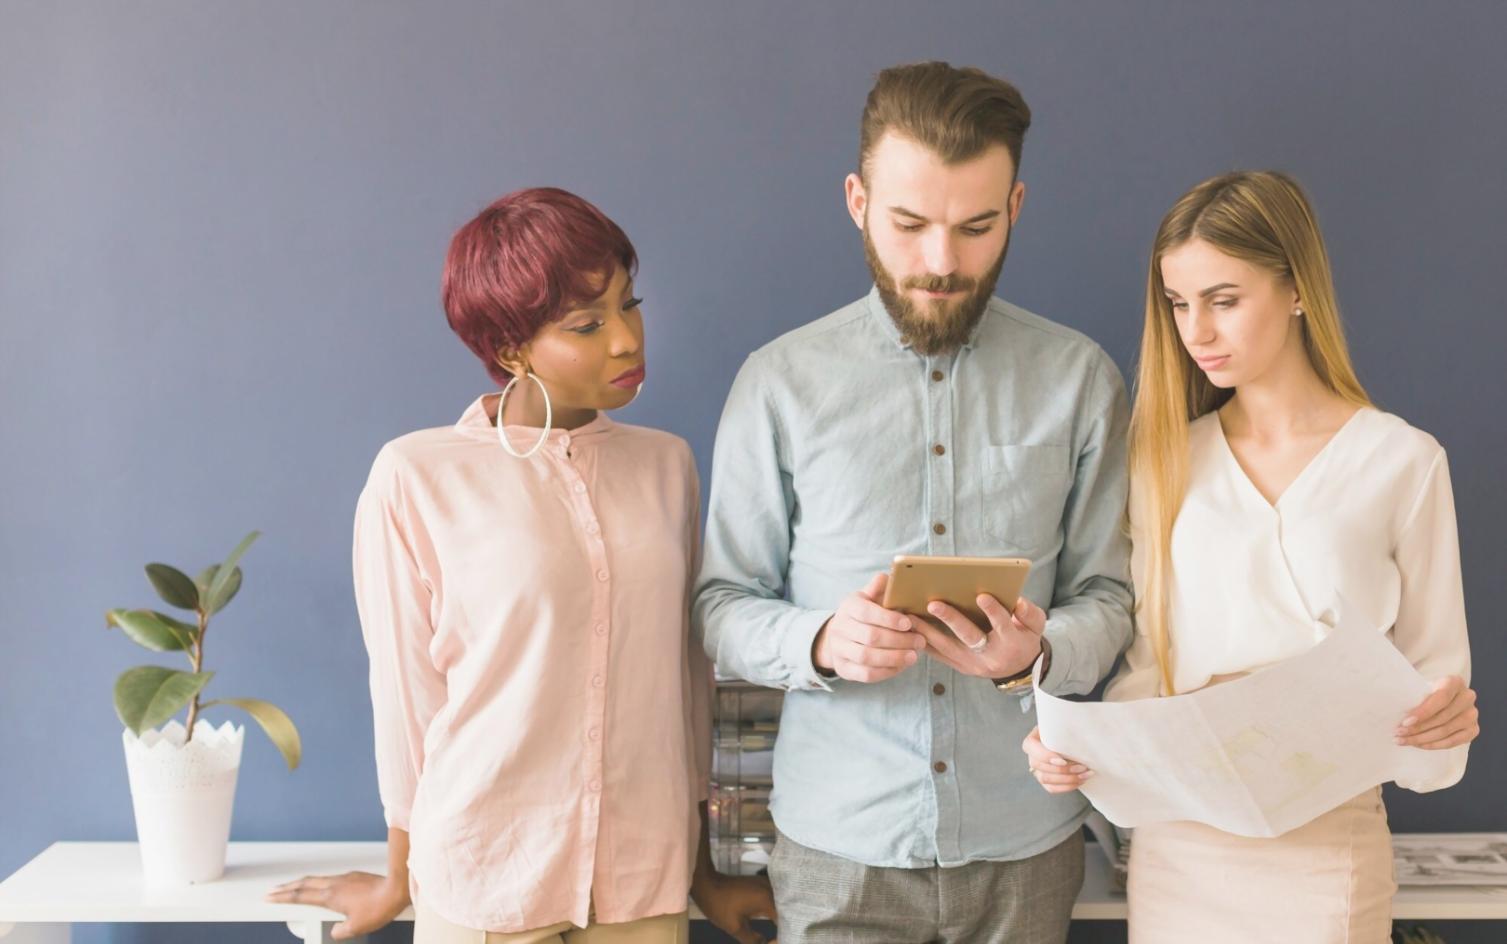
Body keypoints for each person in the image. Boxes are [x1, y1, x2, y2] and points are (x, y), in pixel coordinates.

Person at [694, 62, 1134, 944]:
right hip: (837, 849)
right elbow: (720, 606)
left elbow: (1112, 598)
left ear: (1014, 207)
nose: (941, 263)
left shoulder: (1080, 379)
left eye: (975, 227)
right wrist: (821, 641)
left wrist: (1038, 653)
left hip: (1026, 843)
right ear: (857, 201)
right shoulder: (777, 384)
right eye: (909, 224)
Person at [266, 187, 775, 943]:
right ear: (510, 350)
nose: (626, 340)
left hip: (641, 878)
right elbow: (406, 700)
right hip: (485, 877)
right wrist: (398, 880)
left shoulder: (667, 466)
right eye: (587, 324)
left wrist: (705, 870)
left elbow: (686, 679)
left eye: (629, 305)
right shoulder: (417, 475)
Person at [1023, 170, 1479, 943]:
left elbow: (1435, 675)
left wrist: (1441, 721)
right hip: (1179, 847)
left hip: (1327, 845)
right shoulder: (1161, 460)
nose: (1195, 331)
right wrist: (1073, 752)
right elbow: (1144, 674)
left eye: (1223, 300)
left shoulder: (1402, 461)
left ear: (1295, 288)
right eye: (1178, 304)